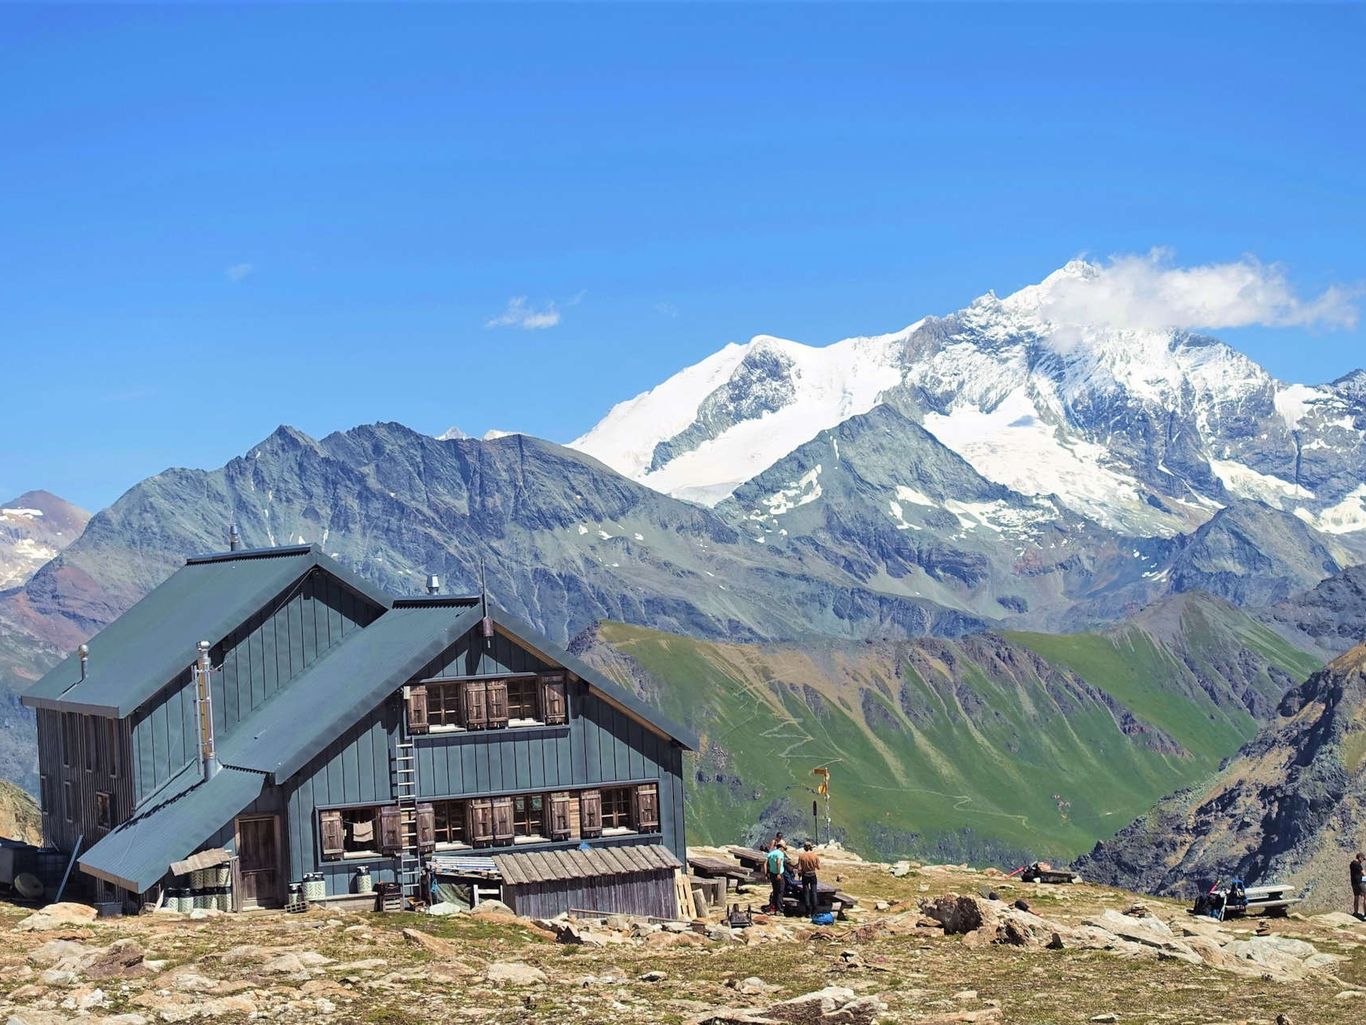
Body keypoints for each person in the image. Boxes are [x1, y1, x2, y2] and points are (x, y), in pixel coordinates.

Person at [796, 841, 821, 915]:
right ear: (811, 847)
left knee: (806, 892)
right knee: (814, 892)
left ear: (804, 848)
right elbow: (819, 867)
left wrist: (800, 873)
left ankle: (808, 911)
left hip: (805, 875)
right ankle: (815, 910)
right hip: (813, 874)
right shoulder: (815, 856)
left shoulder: (801, 856)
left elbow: (799, 868)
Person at [765, 841, 787, 914]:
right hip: (779, 874)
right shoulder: (780, 853)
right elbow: (778, 862)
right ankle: (779, 909)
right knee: (780, 891)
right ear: (781, 847)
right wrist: (778, 873)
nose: (784, 850)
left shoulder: (771, 853)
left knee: (775, 891)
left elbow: (765, 863)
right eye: (784, 848)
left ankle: (773, 908)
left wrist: (766, 873)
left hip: (772, 874)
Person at [1352, 852, 1365, 920]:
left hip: (1354, 883)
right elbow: (1363, 873)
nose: (1363, 861)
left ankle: (1356, 913)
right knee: (1365, 897)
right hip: (1359, 882)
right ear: (1360, 858)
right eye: (1363, 859)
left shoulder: (1352, 863)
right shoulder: (1357, 864)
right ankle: (1365, 915)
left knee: (1356, 897)